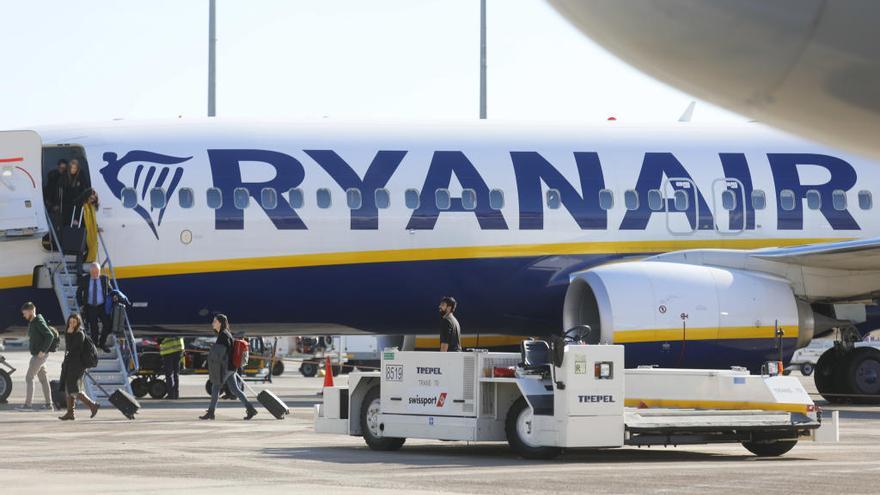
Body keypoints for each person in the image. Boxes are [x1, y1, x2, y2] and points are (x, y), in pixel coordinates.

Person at [200, 314, 257, 420]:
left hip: (226, 367)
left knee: (215, 387)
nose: (213, 323)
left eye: (214, 321)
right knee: (235, 389)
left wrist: (212, 350)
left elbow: (221, 353)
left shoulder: (223, 335)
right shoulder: (225, 334)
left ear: (220, 323)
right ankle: (251, 409)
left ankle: (211, 412)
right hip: (231, 367)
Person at [58, 313, 99, 420]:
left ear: (78, 323)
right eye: (70, 322)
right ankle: (70, 413)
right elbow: (69, 348)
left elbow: (74, 349)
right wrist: (68, 334)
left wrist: (69, 334)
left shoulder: (79, 334)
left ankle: (92, 405)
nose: (71, 324)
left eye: (74, 322)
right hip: (70, 363)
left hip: (77, 365)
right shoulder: (70, 332)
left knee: (73, 389)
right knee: (68, 387)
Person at [18, 302, 57, 410]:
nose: (24, 315)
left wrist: (43, 351)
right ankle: (49, 405)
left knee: (29, 378)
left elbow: (49, 335)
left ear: (31, 311)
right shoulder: (33, 322)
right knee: (44, 379)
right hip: (38, 355)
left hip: (39, 356)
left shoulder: (38, 321)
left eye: (25, 313)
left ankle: (28, 405)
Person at [76, 262, 112, 352]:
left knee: (108, 325)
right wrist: (81, 305)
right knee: (94, 327)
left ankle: (102, 343)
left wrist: (114, 296)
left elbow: (111, 290)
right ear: (90, 272)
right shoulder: (85, 279)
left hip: (102, 306)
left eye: (97, 272)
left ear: (100, 271)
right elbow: (78, 292)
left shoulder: (105, 279)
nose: (96, 274)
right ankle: (94, 345)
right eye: (94, 272)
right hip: (91, 306)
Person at [61, 158, 88, 226]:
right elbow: (63, 191)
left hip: (79, 204)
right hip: (68, 204)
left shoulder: (81, 176)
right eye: (71, 168)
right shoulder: (65, 177)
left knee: (79, 224)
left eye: (74, 168)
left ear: (77, 168)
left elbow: (85, 190)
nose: (72, 170)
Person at [77, 188, 100, 263]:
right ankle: (80, 267)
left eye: (93, 199)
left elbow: (92, 220)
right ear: (86, 196)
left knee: (91, 246)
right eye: (90, 198)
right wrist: (76, 221)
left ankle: (88, 262)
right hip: (81, 229)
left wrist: (96, 227)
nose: (92, 200)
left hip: (88, 230)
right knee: (80, 249)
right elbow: (76, 215)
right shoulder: (80, 205)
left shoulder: (91, 207)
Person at [44, 159, 68, 230]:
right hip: (54, 208)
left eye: (64, 168)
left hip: (65, 207)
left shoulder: (68, 178)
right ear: (58, 167)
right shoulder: (53, 178)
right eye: (61, 168)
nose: (62, 170)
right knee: (54, 225)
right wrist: (52, 206)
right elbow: (49, 194)